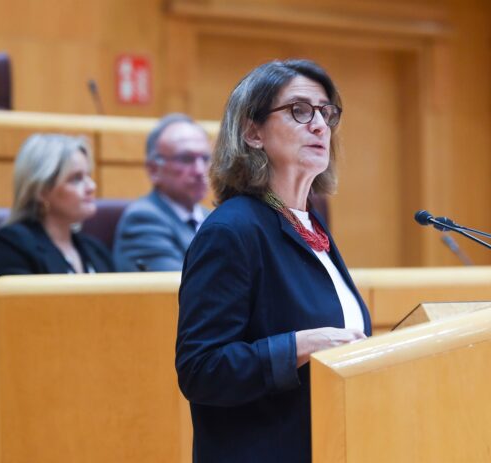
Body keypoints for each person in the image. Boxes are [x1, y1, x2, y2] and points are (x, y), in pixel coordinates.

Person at [175, 59, 372, 462]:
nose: (320, 125)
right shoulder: (231, 231)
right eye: (300, 110)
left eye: (326, 113)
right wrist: (300, 346)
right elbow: (200, 369)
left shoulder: (309, 223)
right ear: (253, 132)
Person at [0, 134, 114, 462]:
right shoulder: (10, 245)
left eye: (89, 175)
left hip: (87, 386)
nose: (91, 186)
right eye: (76, 178)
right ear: (42, 190)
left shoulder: (95, 251)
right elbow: (28, 335)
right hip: (27, 394)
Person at [113, 114, 211, 271]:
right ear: (154, 170)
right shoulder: (143, 220)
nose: (200, 170)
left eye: (205, 159)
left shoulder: (211, 217)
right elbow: (181, 284)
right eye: (186, 159)